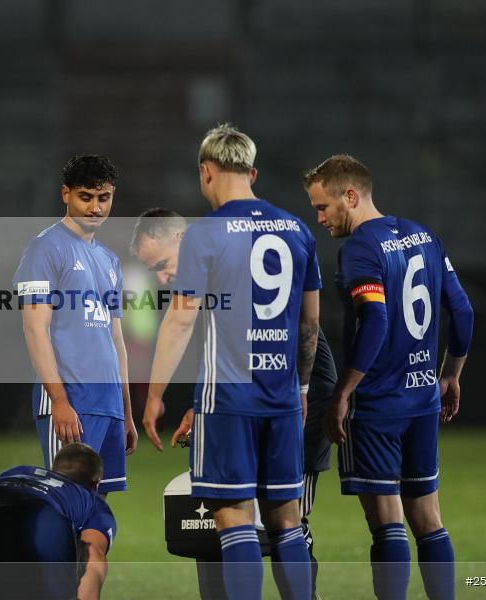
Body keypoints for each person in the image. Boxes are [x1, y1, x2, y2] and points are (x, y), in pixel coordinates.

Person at [142, 124, 320, 600]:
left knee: (235, 519)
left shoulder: (206, 233)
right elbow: (310, 327)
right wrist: (301, 391)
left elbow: (181, 321)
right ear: (253, 172)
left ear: (206, 172)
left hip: (228, 398)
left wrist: (155, 394)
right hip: (282, 398)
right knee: (287, 520)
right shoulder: (298, 229)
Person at [303, 155, 474, 600]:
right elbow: (462, 310)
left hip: (377, 403)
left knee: (388, 526)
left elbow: (374, 321)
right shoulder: (425, 236)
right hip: (422, 399)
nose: (319, 218)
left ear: (351, 196)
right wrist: (450, 374)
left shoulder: (360, 248)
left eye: (323, 207)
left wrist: (344, 390)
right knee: (429, 522)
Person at [12, 154, 138, 494]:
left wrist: (126, 412)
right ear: (65, 194)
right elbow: (35, 329)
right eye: (86, 197)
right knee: (68, 505)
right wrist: (59, 400)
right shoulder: (44, 248)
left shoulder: (109, 259)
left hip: (108, 403)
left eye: (103, 198)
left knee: (97, 512)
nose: (95, 208)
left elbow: (116, 338)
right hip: (71, 400)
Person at [0, 443, 116, 600]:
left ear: (53, 469)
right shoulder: (94, 502)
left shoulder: (16, 471)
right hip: (42, 518)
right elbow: (92, 553)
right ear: (95, 484)